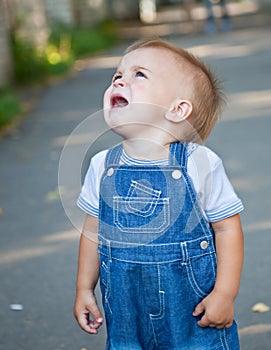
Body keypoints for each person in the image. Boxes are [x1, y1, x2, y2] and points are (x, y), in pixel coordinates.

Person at [74, 38, 244, 349]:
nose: (120, 80)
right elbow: (92, 230)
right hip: (126, 315)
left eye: (139, 74)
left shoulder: (198, 163)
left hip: (191, 313)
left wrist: (225, 294)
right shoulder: (102, 165)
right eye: (117, 76)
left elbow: (227, 227)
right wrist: (84, 288)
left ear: (177, 110)